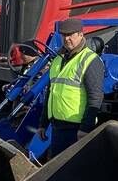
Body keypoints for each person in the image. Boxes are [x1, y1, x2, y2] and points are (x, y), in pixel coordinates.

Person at [43, 18, 105, 160]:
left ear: (81, 35)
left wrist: (85, 128)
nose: (67, 39)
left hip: (75, 129)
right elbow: (51, 92)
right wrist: (43, 123)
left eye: (71, 35)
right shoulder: (58, 59)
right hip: (57, 127)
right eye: (64, 35)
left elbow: (95, 98)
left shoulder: (90, 60)